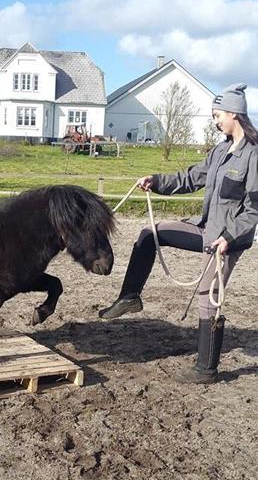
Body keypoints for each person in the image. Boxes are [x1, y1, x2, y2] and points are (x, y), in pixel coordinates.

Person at [99, 83, 258, 384]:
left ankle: (206, 369)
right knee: (150, 234)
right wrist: (156, 181)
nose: (215, 121)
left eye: (218, 115)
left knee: (207, 299)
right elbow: (190, 178)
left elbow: (253, 208)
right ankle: (130, 296)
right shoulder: (221, 150)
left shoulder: (254, 155)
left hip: (226, 240)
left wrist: (229, 238)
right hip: (204, 229)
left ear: (234, 113)